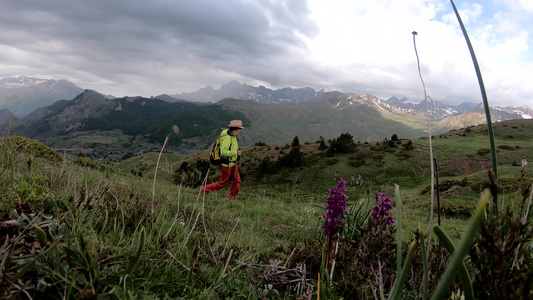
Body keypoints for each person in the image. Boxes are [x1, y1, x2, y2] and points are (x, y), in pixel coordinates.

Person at [201, 120, 244, 200]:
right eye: (239, 129)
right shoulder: (227, 138)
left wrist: (236, 154)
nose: (241, 131)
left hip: (233, 164)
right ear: (235, 129)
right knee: (222, 183)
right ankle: (203, 189)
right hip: (226, 164)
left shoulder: (233, 136)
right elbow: (223, 152)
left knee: (237, 181)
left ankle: (231, 198)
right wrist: (236, 153)